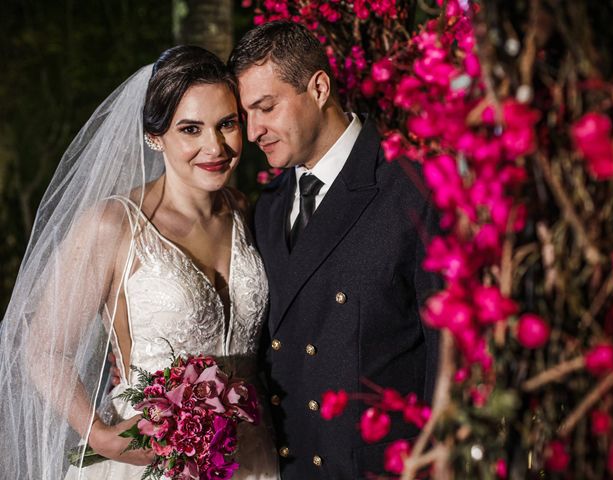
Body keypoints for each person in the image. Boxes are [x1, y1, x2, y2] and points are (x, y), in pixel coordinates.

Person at [0, 46, 278, 479]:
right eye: (190, 129)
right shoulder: (112, 225)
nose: (215, 146)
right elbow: (41, 348)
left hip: (252, 457)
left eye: (226, 124)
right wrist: (101, 436)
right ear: (155, 136)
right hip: (154, 460)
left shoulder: (243, 211)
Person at [228, 21, 441, 479]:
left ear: (319, 88)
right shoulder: (265, 210)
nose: (252, 132)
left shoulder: (411, 188)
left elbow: (449, 360)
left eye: (265, 108)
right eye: (246, 115)